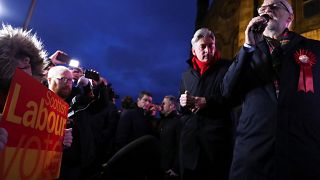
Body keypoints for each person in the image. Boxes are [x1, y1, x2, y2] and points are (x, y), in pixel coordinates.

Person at [223, 0, 320, 179]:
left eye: (275, 6)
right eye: (262, 8)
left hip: (302, 155)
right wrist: (248, 47)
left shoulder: (314, 49)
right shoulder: (247, 52)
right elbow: (228, 92)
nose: (267, 9)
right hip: (253, 156)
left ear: (289, 18)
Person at [0, 24, 72, 150]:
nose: (26, 62)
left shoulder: (31, 100)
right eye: (19, 58)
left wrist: (56, 138)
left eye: (29, 61)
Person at [179, 28, 234, 180]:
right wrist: (182, 103)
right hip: (190, 146)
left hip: (216, 145)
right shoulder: (186, 75)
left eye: (211, 45)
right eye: (203, 46)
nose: (208, 50)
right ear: (194, 50)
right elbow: (182, 110)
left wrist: (207, 101)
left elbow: (234, 97)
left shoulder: (227, 68)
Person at [158, 95, 180, 180]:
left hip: (169, 170)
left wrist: (175, 168)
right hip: (160, 166)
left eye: (163, 103)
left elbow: (180, 146)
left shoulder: (178, 121)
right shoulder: (163, 120)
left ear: (171, 106)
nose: (161, 105)